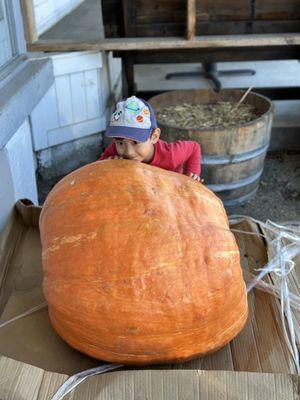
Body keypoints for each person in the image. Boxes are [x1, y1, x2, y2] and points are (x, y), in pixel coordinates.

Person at [100, 96, 203, 182]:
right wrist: (108, 165)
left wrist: (192, 176)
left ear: (154, 136)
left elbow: (194, 148)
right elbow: (97, 170)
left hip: (170, 191)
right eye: (120, 143)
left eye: (135, 142)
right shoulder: (115, 150)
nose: (128, 152)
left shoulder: (171, 155)